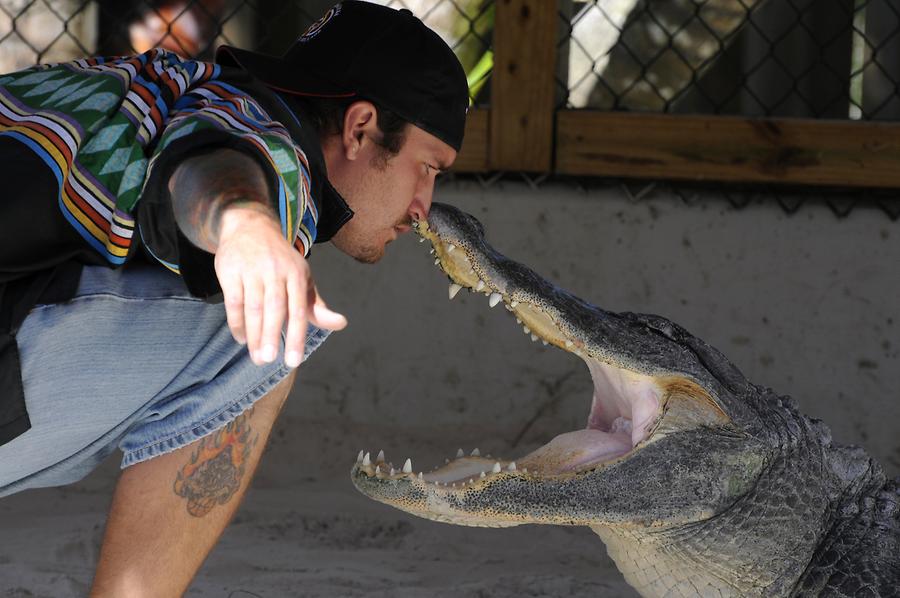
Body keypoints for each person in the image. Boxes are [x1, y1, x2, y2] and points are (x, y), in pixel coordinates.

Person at [0, 1, 467, 594]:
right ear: (359, 127)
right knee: (263, 328)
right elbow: (213, 163)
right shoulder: (269, 137)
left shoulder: (174, 92)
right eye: (427, 167)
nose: (425, 206)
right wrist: (246, 224)